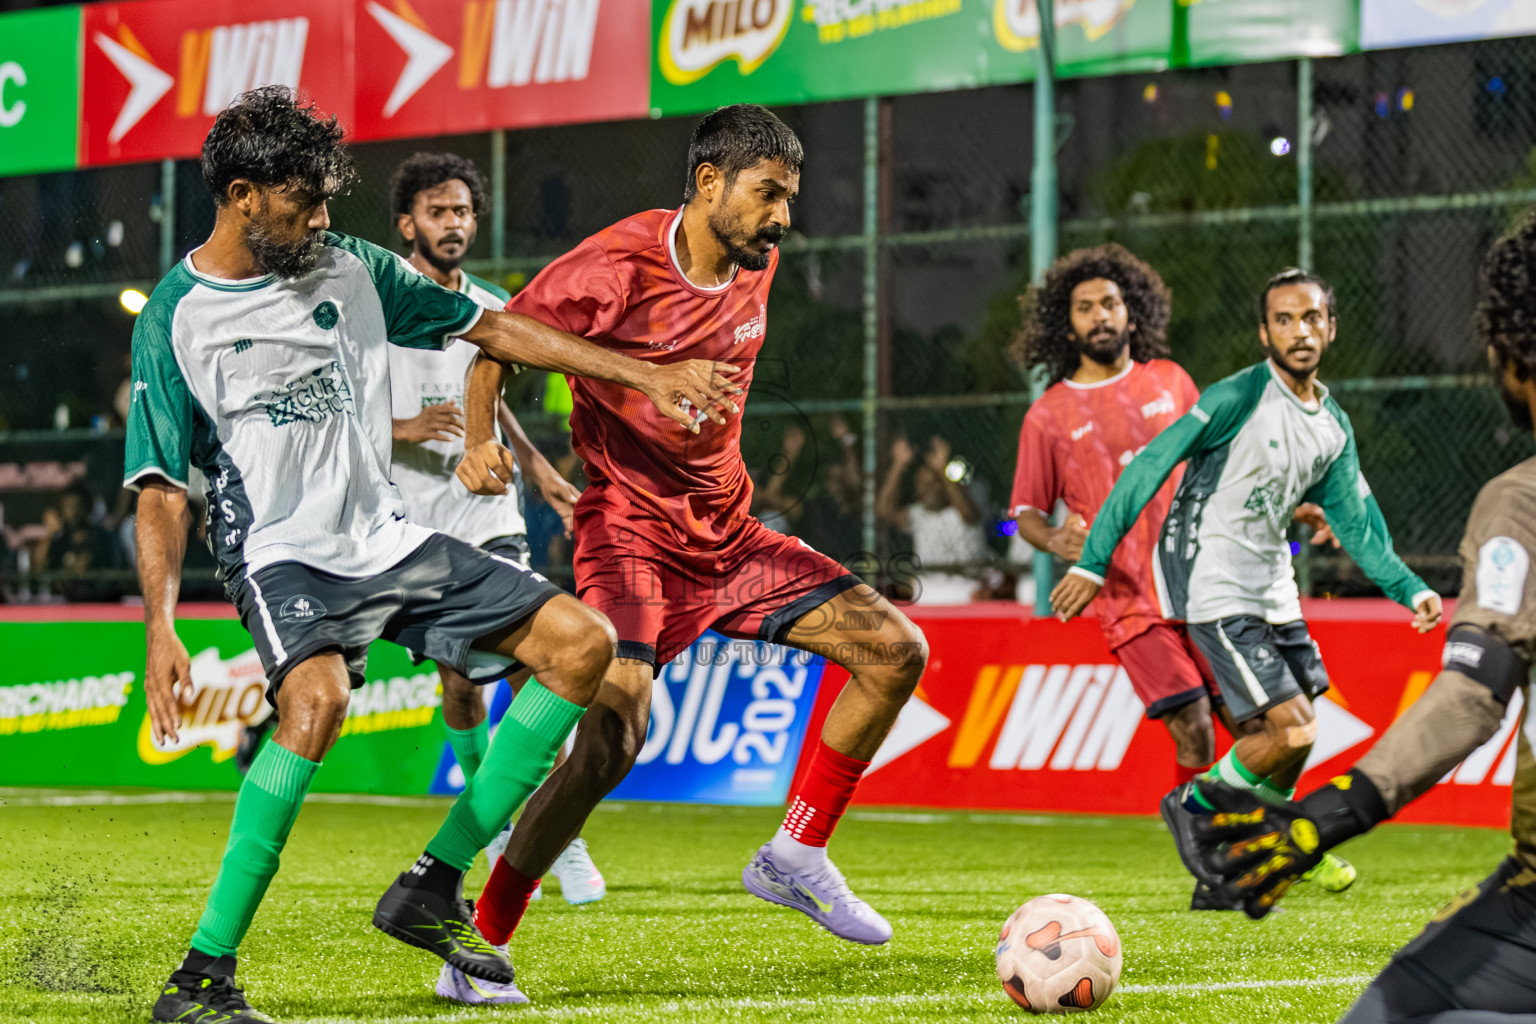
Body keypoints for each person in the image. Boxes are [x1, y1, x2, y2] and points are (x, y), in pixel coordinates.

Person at [130, 87, 737, 1024]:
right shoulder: (176, 316)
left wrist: (643, 372)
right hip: (282, 552)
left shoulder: (353, 267)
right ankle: (200, 978)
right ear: (244, 194)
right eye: (305, 200)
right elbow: (162, 487)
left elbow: (493, 327)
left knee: (582, 646)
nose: (325, 217)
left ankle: (431, 882)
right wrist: (161, 623)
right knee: (318, 703)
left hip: (392, 536)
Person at [450, 105, 929, 985]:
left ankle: (793, 858)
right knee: (612, 740)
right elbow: (495, 345)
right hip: (629, 529)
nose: (783, 216)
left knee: (895, 651)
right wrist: (482, 438)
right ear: (709, 182)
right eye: (768, 193)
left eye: (790, 196)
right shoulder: (616, 263)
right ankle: (483, 939)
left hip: (731, 535)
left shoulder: (759, 258)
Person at [1164, 211, 1536, 1024]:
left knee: (1388, 1013)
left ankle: (1202, 805)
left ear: (1509, 355)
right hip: (1239, 589)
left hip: (1531, 913)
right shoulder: (1251, 406)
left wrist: (1324, 821)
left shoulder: (1522, 501)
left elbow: (1476, 693)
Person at [1051, 267, 1444, 900]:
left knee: (1288, 741)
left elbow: (1357, 521)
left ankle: (1233, 857)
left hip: (1273, 589)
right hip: (1213, 582)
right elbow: (1154, 462)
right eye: (1284, 319)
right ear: (1264, 332)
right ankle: (1195, 802)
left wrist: (1409, 588)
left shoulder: (1331, 425)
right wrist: (1093, 559)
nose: (1299, 330)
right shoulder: (1237, 397)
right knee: (1293, 730)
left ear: (1331, 327)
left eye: (1312, 317)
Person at [385, 153, 605, 948]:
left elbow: (500, 394)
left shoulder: (487, 305)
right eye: (437, 212)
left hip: (491, 516)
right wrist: (402, 431)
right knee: (461, 688)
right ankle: (503, 823)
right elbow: (332, 418)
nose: (454, 224)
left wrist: (544, 472)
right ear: (407, 223)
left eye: (463, 212)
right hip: (417, 528)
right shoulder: (377, 308)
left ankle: (552, 832)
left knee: (539, 662)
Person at [877, 434, 988, 604]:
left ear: (945, 483)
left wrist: (942, 469)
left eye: (935, 483)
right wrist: (898, 465)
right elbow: (884, 510)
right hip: (926, 592)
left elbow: (969, 513)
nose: (929, 489)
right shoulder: (919, 514)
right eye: (923, 484)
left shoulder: (961, 510)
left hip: (964, 589)